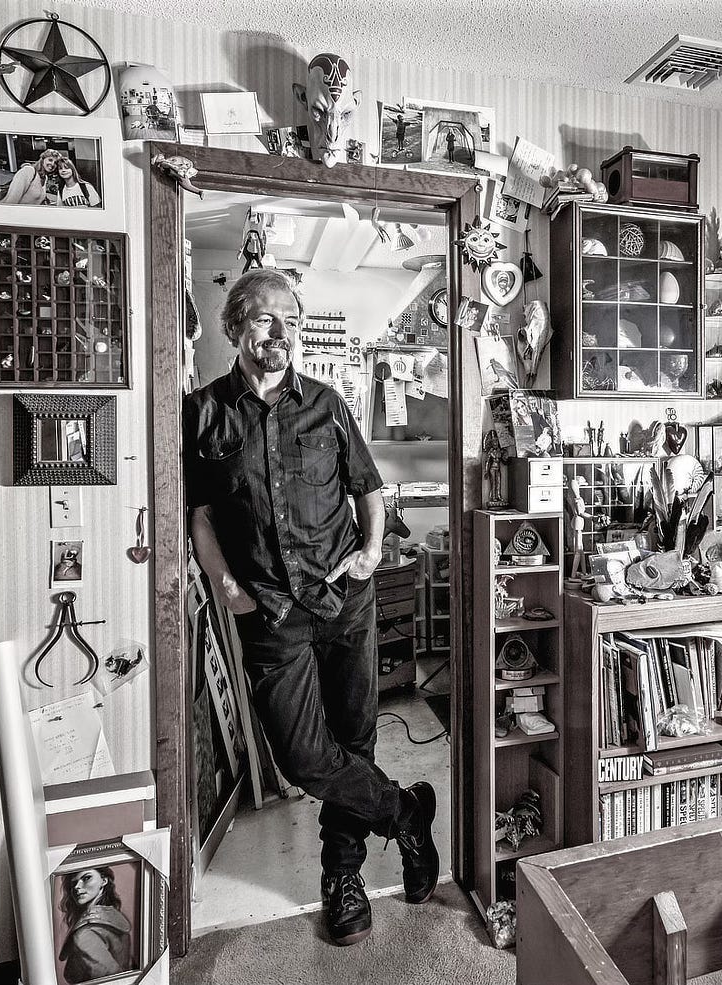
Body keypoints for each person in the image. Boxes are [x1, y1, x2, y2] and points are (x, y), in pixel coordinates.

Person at [183, 268, 439, 947]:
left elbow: (368, 489)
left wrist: (374, 550)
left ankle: (343, 879)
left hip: (343, 600)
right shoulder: (205, 411)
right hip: (268, 609)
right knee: (303, 755)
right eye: (267, 319)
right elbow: (201, 515)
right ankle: (407, 813)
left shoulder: (327, 403)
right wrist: (225, 585)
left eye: (292, 320)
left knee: (353, 739)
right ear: (236, 325)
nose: (281, 333)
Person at [57, 866, 131, 984]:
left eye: (86, 878)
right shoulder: (113, 917)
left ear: (104, 881)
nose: (77, 887)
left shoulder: (86, 933)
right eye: (74, 883)